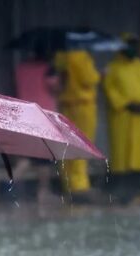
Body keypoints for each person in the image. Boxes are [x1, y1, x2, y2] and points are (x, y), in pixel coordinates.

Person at [104, 33, 140, 199]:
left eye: (135, 45)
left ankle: (138, 180)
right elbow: (109, 88)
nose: (132, 49)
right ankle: (119, 182)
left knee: (138, 149)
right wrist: (125, 103)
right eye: (129, 45)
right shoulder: (113, 68)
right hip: (122, 115)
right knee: (121, 149)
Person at [13, 43, 61, 203]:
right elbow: (55, 88)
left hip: (25, 114)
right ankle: (43, 192)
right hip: (44, 115)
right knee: (44, 157)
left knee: (28, 156)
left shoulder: (21, 68)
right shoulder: (48, 69)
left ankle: (10, 185)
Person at [54, 48, 101, 200]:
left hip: (65, 105)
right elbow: (89, 79)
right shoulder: (81, 56)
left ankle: (67, 183)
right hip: (82, 105)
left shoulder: (60, 56)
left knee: (66, 145)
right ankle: (79, 185)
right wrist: (99, 73)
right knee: (82, 143)